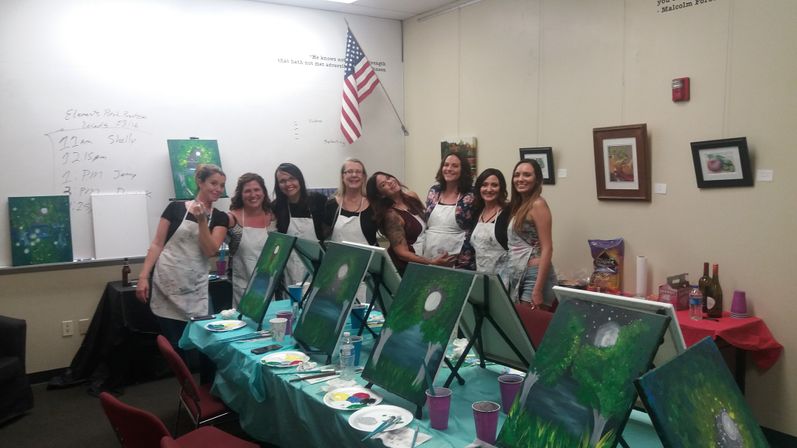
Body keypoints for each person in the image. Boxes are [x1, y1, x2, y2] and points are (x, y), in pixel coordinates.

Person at [135, 164, 229, 382]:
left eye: (222, 185)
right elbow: (157, 244)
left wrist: (202, 220)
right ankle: (187, 391)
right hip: (166, 284)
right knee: (176, 346)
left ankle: (208, 389)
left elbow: (211, 250)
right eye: (213, 183)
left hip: (195, 288)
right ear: (200, 182)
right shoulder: (175, 209)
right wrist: (143, 277)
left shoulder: (220, 218)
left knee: (208, 342)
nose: (217, 189)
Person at [366, 171, 453, 274]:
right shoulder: (392, 216)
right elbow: (401, 253)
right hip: (408, 268)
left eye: (388, 177)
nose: (389, 182)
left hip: (426, 258)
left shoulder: (412, 197)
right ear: (380, 195)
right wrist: (432, 262)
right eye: (383, 184)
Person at [506, 159, 557, 309]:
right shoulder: (521, 205)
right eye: (517, 175)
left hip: (535, 276)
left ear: (537, 180)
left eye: (527, 175)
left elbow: (547, 248)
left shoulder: (538, 204)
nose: (520, 179)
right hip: (520, 272)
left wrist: (538, 289)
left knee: (528, 326)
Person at [272, 163, 326, 286]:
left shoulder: (318, 200)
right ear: (278, 185)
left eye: (292, 178)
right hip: (290, 268)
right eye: (282, 181)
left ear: (299, 179)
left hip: (317, 265)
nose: (288, 184)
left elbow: (327, 231)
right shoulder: (276, 207)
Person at [422, 152, 476, 270]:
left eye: (455, 166)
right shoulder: (434, 191)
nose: (449, 169)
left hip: (458, 261)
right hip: (430, 257)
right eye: (446, 165)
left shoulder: (471, 194)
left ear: (463, 170)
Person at [227, 172, 273, 308]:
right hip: (243, 289)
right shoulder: (231, 219)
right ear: (240, 195)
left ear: (263, 192)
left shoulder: (272, 217)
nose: (253, 195)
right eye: (247, 191)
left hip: (271, 289)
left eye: (257, 190)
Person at [323, 158, 378, 246]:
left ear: (364, 177)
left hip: (368, 258)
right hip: (338, 258)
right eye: (349, 171)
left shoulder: (373, 204)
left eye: (358, 172)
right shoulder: (331, 204)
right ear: (342, 177)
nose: (354, 175)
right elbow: (324, 236)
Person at [470, 168, 510, 275]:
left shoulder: (509, 213)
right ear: (479, 188)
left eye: (494, 185)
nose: (489, 189)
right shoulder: (476, 213)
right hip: (480, 275)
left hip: (504, 279)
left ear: (501, 188)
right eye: (484, 185)